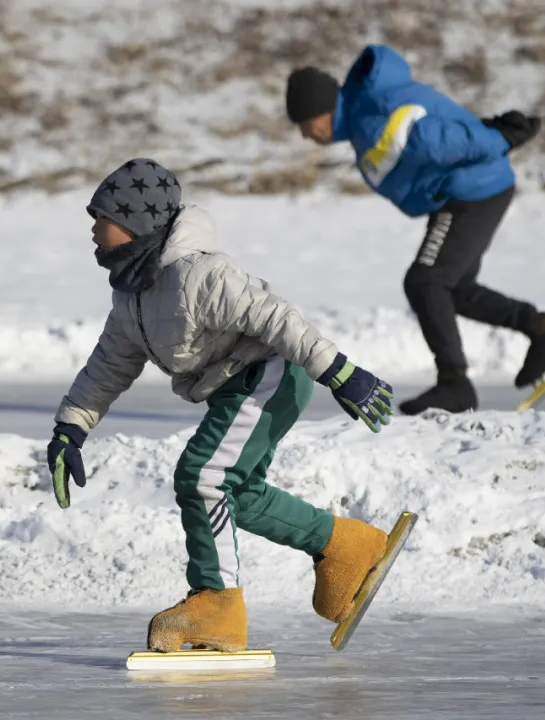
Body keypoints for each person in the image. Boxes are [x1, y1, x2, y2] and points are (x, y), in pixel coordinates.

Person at [46, 158, 397, 653]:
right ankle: (344, 545)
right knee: (237, 492)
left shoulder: (201, 275)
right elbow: (106, 367)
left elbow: (277, 318)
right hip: (236, 384)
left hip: (271, 372)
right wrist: (70, 429)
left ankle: (217, 605)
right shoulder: (132, 297)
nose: (92, 230)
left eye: (98, 217)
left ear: (132, 221)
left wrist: (338, 371)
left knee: (203, 476)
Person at [285, 44, 545, 415]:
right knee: (452, 288)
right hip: (468, 192)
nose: (304, 135)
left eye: (303, 124)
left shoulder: (369, 116)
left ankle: (455, 384)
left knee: (426, 281)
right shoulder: (365, 116)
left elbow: (435, 140)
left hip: (474, 191)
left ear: (320, 112)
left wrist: (499, 138)